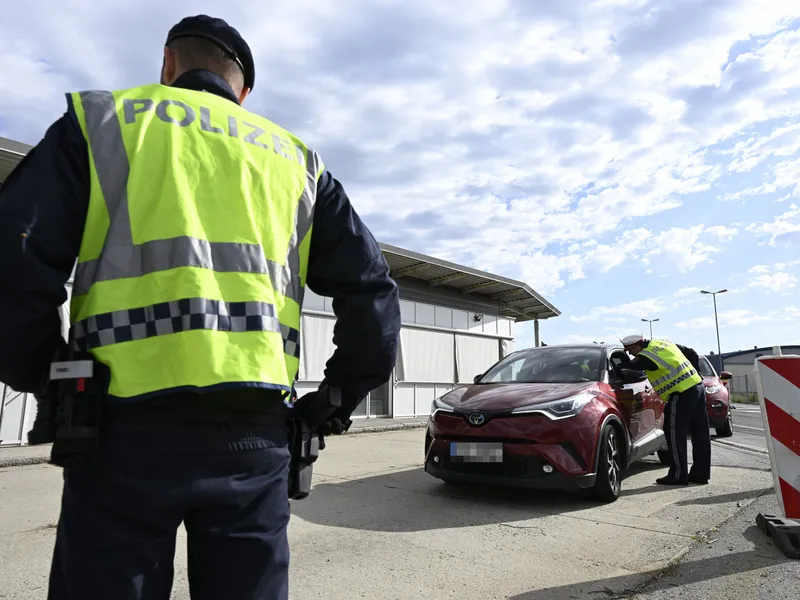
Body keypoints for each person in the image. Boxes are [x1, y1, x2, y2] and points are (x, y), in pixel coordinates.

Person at [0, 14, 401, 600]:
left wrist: (47, 376)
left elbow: (14, 257)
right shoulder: (297, 163)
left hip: (117, 434)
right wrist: (331, 403)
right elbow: (372, 294)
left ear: (168, 66)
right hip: (255, 439)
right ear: (243, 91)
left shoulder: (103, 124)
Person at [620, 334, 711, 486]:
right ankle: (700, 474)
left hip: (680, 393)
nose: (630, 354)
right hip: (697, 387)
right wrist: (697, 372)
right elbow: (692, 352)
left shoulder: (645, 357)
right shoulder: (663, 343)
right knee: (700, 434)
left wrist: (620, 366)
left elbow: (627, 368)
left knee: (674, 433)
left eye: (630, 351)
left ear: (636, 346)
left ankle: (677, 476)